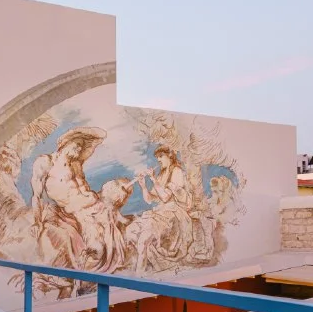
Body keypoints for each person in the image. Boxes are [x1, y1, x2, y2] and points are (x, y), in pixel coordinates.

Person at [30, 127, 126, 298]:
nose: (80, 149)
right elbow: (36, 195)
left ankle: (91, 284)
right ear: (65, 143)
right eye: (77, 145)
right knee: (97, 248)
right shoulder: (46, 162)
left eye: (82, 145)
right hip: (79, 213)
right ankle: (87, 286)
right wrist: (37, 221)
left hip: (96, 206)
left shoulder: (76, 164)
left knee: (117, 236)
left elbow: (100, 135)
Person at [126, 145, 194, 274]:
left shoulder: (177, 171)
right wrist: (143, 186)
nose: (158, 160)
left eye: (161, 156)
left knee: (143, 240)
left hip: (173, 214)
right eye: (157, 157)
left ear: (170, 156)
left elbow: (165, 198)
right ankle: (142, 268)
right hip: (161, 212)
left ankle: (140, 275)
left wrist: (153, 179)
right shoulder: (162, 174)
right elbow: (150, 199)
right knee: (130, 231)